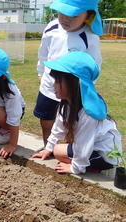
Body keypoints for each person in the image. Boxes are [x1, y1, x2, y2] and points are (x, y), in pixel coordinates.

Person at [32, 51, 122, 174]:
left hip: (105, 155)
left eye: (58, 81)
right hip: (91, 147)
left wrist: (75, 168)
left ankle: (91, 168)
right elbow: (58, 128)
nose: (54, 85)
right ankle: (84, 164)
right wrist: (48, 148)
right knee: (57, 150)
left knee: (58, 151)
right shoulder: (66, 104)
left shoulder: (88, 112)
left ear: (74, 83)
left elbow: (84, 144)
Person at [34, 0, 103, 146]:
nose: (65, 19)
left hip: (72, 91)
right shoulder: (52, 27)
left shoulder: (89, 37)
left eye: (72, 15)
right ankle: (49, 148)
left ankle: (67, 152)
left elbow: (94, 65)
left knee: (69, 124)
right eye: (62, 13)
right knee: (46, 121)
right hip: (48, 86)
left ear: (88, 16)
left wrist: (83, 89)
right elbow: (43, 53)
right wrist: (41, 73)